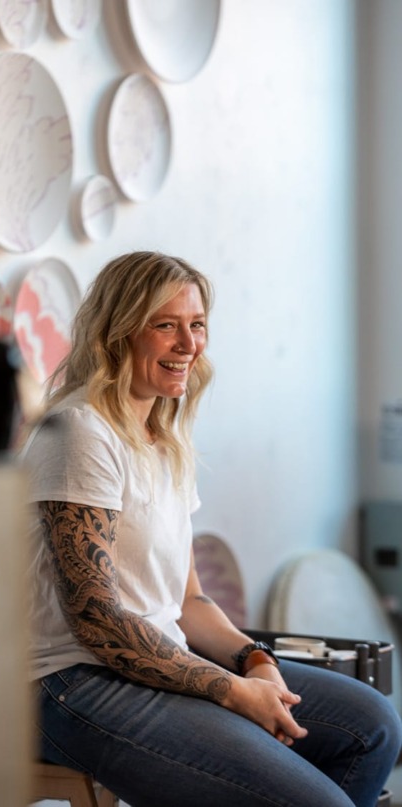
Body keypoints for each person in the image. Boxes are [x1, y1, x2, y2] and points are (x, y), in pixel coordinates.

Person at [21, 251, 402, 807]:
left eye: (196, 325)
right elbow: (97, 622)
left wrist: (257, 662)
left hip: (155, 663)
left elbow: (189, 600)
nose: (188, 344)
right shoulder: (79, 432)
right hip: (71, 682)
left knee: (372, 725)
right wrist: (231, 691)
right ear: (117, 332)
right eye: (165, 325)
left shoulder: (161, 436)